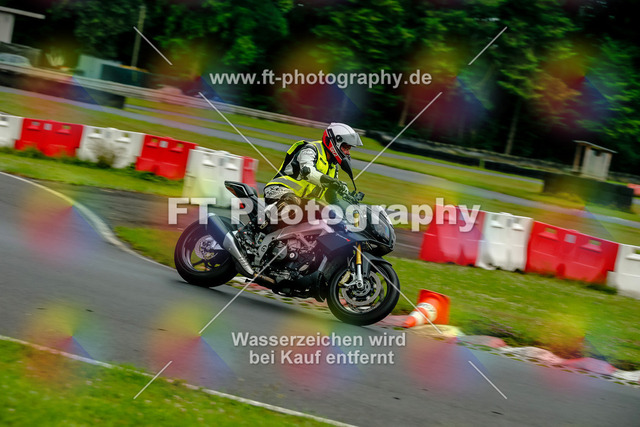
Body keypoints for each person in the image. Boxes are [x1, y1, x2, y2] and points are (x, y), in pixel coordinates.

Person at [263, 122, 363, 226]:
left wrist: (345, 214)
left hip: (303, 202)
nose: (348, 153)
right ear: (334, 142)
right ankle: (259, 225)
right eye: (345, 148)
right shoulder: (310, 150)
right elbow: (308, 172)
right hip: (279, 191)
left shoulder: (333, 167)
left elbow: (331, 198)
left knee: (327, 216)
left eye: (349, 149)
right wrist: (330, 181)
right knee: (293, 202)